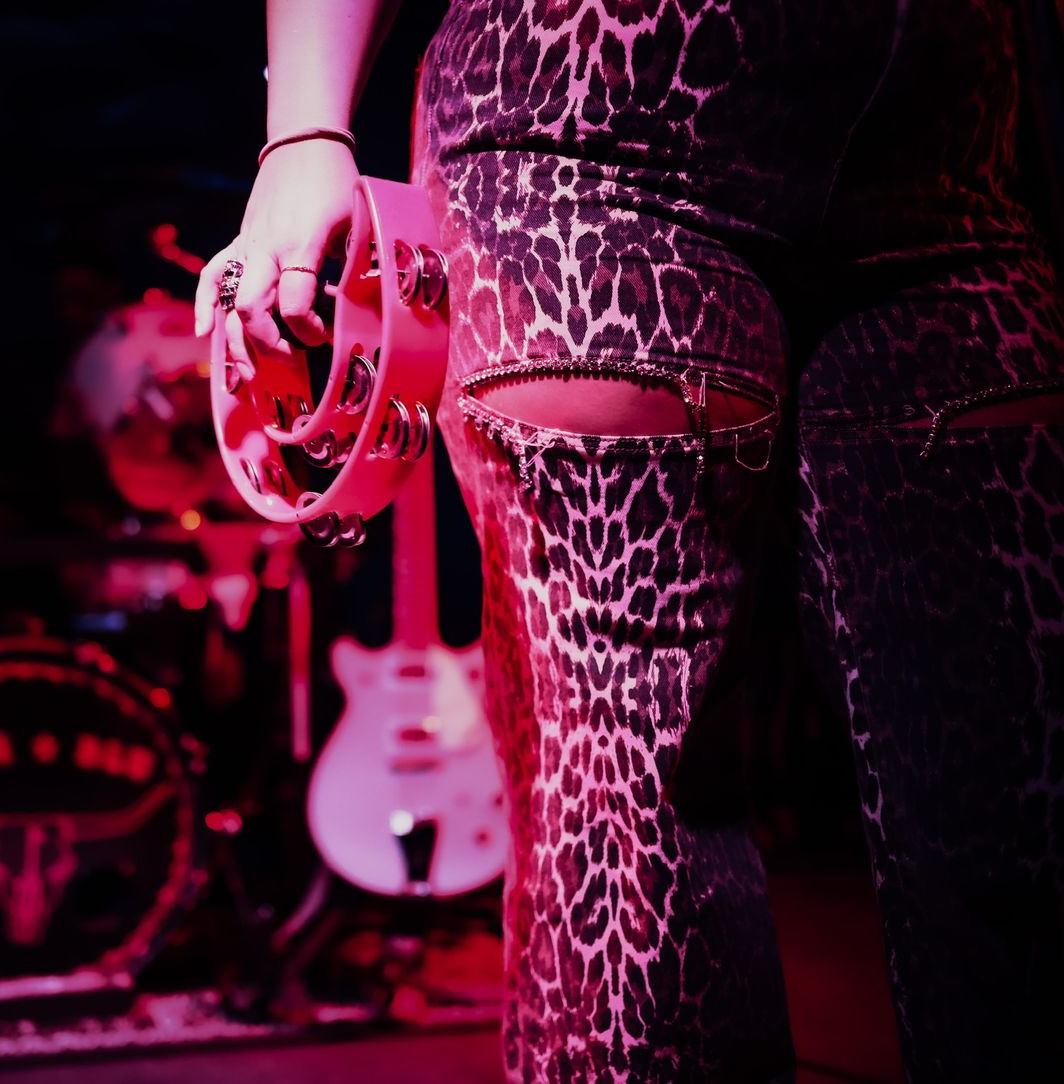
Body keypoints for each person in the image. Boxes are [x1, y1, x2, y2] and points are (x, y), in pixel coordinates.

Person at [196, 1, 1064, 1081]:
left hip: (958, 159)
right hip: (591, 130)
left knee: (1020, 836)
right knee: (637, 885)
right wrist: (303, 129)